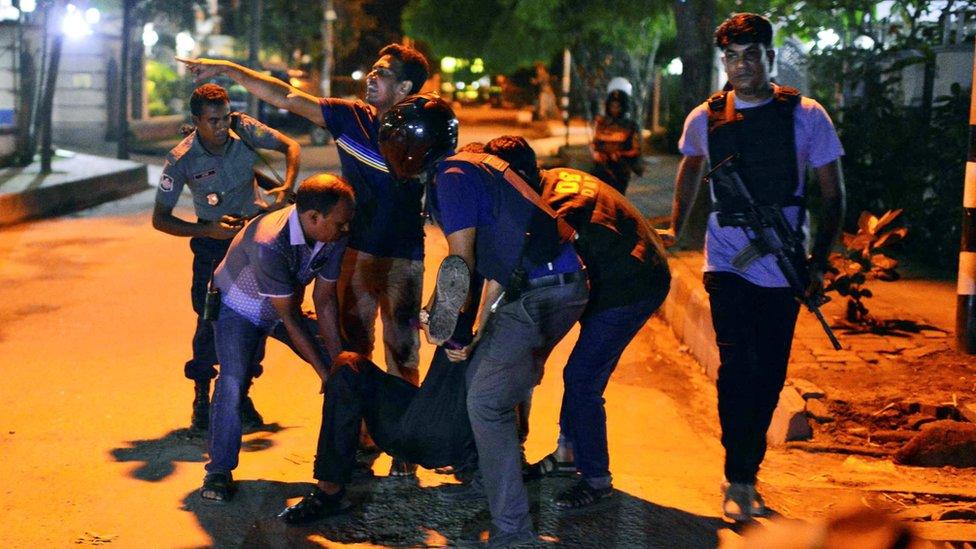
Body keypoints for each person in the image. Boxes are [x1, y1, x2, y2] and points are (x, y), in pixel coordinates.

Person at [378, 95, 589, 548]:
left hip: (539, 292)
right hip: (552, 284)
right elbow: (494, 261)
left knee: (486, 402)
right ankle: (484, 477)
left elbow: (460, 263)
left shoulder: (451, 176)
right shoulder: (471, 167)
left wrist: (454, 329)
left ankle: (514, 533)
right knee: (480, 380)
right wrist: (461, 328)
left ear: (413, 145)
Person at [661, 13, 845, 521]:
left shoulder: (806, 115)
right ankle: (737, 478)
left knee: (768, 377)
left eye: (751, 55)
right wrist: (676, 229)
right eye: (732, 57)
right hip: (726, 264)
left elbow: (834, 196)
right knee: (737, 368)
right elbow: (690, 168)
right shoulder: (706, 117)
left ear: (770, 57)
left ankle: (749, 471)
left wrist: (818, 264)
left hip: (784, 265)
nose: (741, 66)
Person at [178, 46, 430, 393]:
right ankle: (360, 430)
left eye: (383, 72)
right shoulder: (350, 118)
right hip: (353, 250)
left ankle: (404, 436)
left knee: (403, 352)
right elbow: (286, 96)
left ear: (404, 88)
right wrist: (226, 68)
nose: (372, 76)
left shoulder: (425, 129)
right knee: (353, 347)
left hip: (405, 255)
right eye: (373, 68)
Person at [484, 135, 672, 509]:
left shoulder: (551, 209)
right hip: (629, 270)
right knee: (578, 374)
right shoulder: (557, 176)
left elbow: (542, 277)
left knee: (582, 379)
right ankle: (568, 455)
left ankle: (596, 478)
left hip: (629, 286)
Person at [152, 83, 300, 432]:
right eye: (213, 121)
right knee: (209, 320)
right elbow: (160, 219)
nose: (222, 126)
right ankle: (202, 394)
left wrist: (286, 187)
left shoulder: (243, 128)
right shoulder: (181, 159)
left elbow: (290, 147)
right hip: (213, 243)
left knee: (258, 317)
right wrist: (207, 230)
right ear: (196, 121)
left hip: (256, 239)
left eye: (225, 118)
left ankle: (242, 392)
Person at [200, 173, 355, 503]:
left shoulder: (334, 233)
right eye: (340, 224)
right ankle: (218, 471)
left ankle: (337, 465)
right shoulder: (270, 241)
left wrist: (337, 362)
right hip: (237, 306)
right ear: (313, 217)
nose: (345, 230)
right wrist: (324, 374)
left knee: (347, 370)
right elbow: (290, 319)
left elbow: (325, 300)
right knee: (232, 380)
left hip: (283, 305)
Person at [591, 87, 642, 195]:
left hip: (620, 170)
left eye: (618, 106)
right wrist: (596, 154)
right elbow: (595, 144)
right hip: (601, 169)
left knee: (617, 199)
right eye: (612, 106)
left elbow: (636, 150)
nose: (614, 109)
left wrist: (620, 154)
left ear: (623, 107)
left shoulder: (630, 125)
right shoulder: (601, 123)